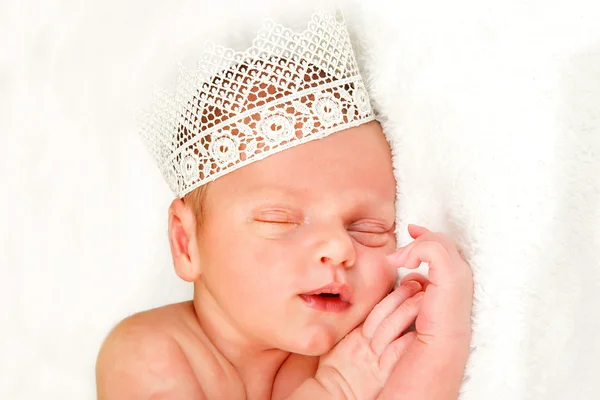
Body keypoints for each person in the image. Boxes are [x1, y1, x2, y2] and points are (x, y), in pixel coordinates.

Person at [96, 9, 473, 399]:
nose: (340, 248)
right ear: (185, 243)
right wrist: (335, 389)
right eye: (281, 220)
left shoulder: (358, 353)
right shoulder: (151, 352)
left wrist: (440, 342)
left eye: (368, 229)